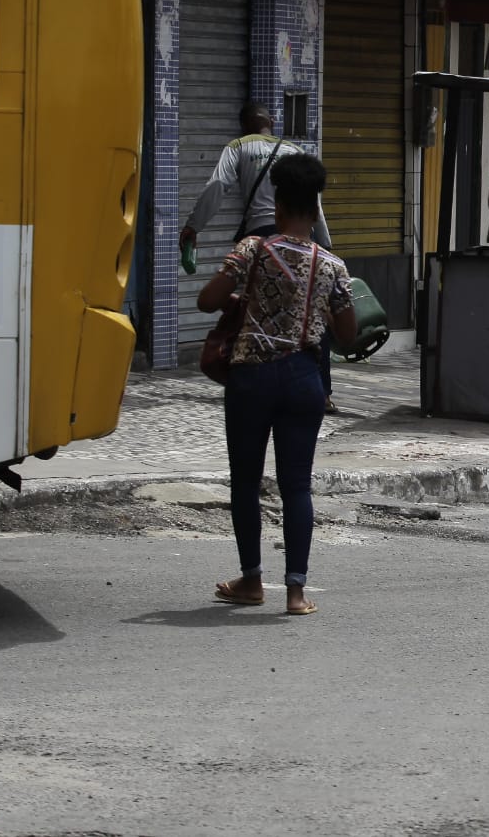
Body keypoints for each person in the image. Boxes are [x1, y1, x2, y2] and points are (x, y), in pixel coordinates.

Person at [197, 153, 357, 616]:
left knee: (245, 482)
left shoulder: (252, 249)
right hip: (303, 379)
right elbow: (347, 338)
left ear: (278, 203)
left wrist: (239, 296)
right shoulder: (332, 266)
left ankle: (251, 580)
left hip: (251, 379)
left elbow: (207, 301)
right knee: (297, 486)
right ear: (315, 207)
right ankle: (296, 592)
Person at [181, 101, 340, 412]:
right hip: (300, 238)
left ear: (244, 126)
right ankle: (321, 392)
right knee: (310, 310)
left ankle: (250, 377)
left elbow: (217, 186)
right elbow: (314, 205)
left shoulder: (239, 147)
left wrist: (193, 226)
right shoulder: (294, 152)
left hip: (259, 239)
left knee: (253, 310)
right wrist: (325, 247)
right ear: (271, 123)